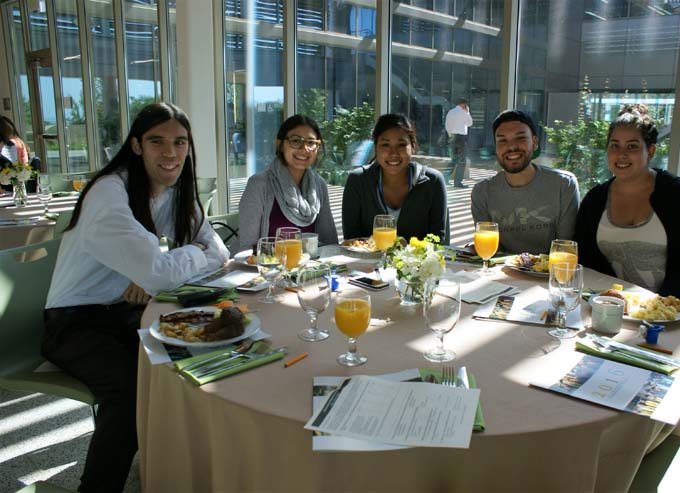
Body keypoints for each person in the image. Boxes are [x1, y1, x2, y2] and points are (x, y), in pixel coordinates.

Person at [43, 102, 230, 492]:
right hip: (73, 322)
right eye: (157, 141)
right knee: (130, 393)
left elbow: (221, 254)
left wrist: (155, 269)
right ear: (136, 145)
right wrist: (162, 266)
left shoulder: (177, 192)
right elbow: (169, 267)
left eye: (180, 142)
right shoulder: (108, 191)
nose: (170, 152)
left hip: (128, 311)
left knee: (198, 359)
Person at [575, 103, 680, 446]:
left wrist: (653, 308)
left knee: (658, 351)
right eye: (614, 145)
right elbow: (588, 259)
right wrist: (617, 302)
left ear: (650, 150)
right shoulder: (596, 199)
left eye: (632, 146)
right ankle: (610, 436)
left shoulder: (679, 195)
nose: (621, 154)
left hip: (678, 304)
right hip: (618, 304)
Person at [471, 109, 580, 254]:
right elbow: (488, 251)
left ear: (534, 142)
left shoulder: (563, 184)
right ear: (496, 147)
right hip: (501, 273)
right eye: (502, 140)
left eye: (520, 138)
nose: (511, 147)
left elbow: (566, 250)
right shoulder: (482, 192)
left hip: (548, 274)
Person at [342, 113, 448, 243]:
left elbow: (438, 241)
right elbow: (351, 239)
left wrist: (407, 250)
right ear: (375, 148)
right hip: (367, 262)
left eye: (401, 145)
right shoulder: (358, 181)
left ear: (413, 147)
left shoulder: (433, 182)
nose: (393, 153)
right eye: (385, 145)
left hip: (417, 262)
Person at [238, 114, 337, 251]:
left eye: (311, 142)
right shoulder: (259, 184)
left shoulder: (319, 185)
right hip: (267, 269)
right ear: (280, 144)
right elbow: (247, 248)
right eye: (296, 141)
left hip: (310, 269)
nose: (304, 149)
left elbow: (330, 243)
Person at [444, 99, 473, 188]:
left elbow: (447, 126)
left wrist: (450, 136)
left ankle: (445, 178)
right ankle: (457, 183)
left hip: (452, 137)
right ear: (464, 105)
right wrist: (468, 112)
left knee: (454, 160)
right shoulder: (463, 113)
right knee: (462, 161)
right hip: (461, 139)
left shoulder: (450, 112)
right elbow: (470, 123)